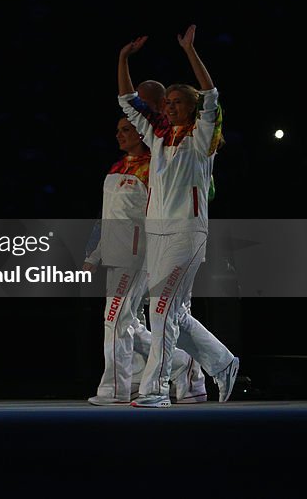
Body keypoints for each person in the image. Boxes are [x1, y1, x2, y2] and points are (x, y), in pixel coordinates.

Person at [117, 25, 240, 407]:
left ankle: (154, 389)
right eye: (166, 101)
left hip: (187, 232)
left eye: (177, 101)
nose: (168, 106)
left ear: (191, 106)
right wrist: (123, 59)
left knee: (162, 310)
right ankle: (223, 363)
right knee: (176, 313)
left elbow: (212, 95)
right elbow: (126, 100)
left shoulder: (203, 138)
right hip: (157, 233)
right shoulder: (157, 135)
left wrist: (189, 51)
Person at [83, 116, 206, 405]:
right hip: (116, 254)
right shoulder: (117, 167)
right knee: (126, 322)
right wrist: (94, 254)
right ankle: (182, 362)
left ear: (141, 133)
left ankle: (115, 388)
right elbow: (108, 217)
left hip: (141, 254)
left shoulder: (155, 167)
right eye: (117, 130)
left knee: (115, 318)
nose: (119, 135)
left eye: (125, 130)